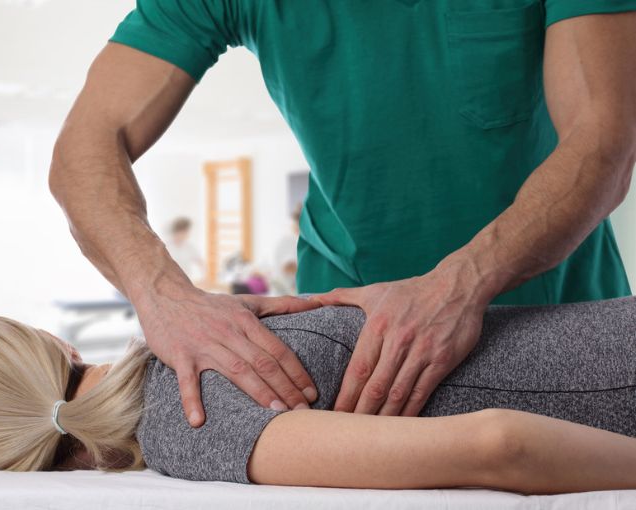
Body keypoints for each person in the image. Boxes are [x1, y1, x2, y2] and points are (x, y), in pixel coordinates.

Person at [48, 3, 636, 427]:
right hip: (345, 337)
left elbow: (604, 142)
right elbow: (85, 148)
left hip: (561, 311)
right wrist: (163, 299)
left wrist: (461, 286)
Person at [0, 295, 636, 493]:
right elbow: (492, 445)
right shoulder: (190, 387)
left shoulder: (186, 412)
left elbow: (498, 445)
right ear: (48, 347)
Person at [164, 217, 204, 283]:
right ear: (177, 231)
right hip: (169, 282)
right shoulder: (166, 246)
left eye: (186, 232)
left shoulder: (189, 247)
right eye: (184, 232)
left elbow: (200, 262)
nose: (186, 234)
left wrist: (203, 278)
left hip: (185, 282)